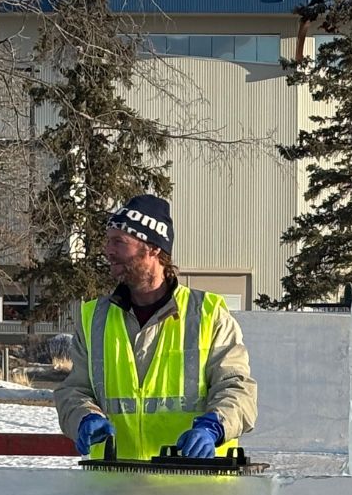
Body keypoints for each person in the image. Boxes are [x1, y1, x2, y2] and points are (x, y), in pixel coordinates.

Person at [55, 195, 258, 459]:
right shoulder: (95, 318)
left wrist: (215, 426)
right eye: (107, 240)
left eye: (119, 242)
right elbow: (74, 389)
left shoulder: (208, 315)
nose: (108, 250)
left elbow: (237, 388)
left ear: (152, 248)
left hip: (193, 487)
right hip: (118, 488)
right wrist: (84, 417)